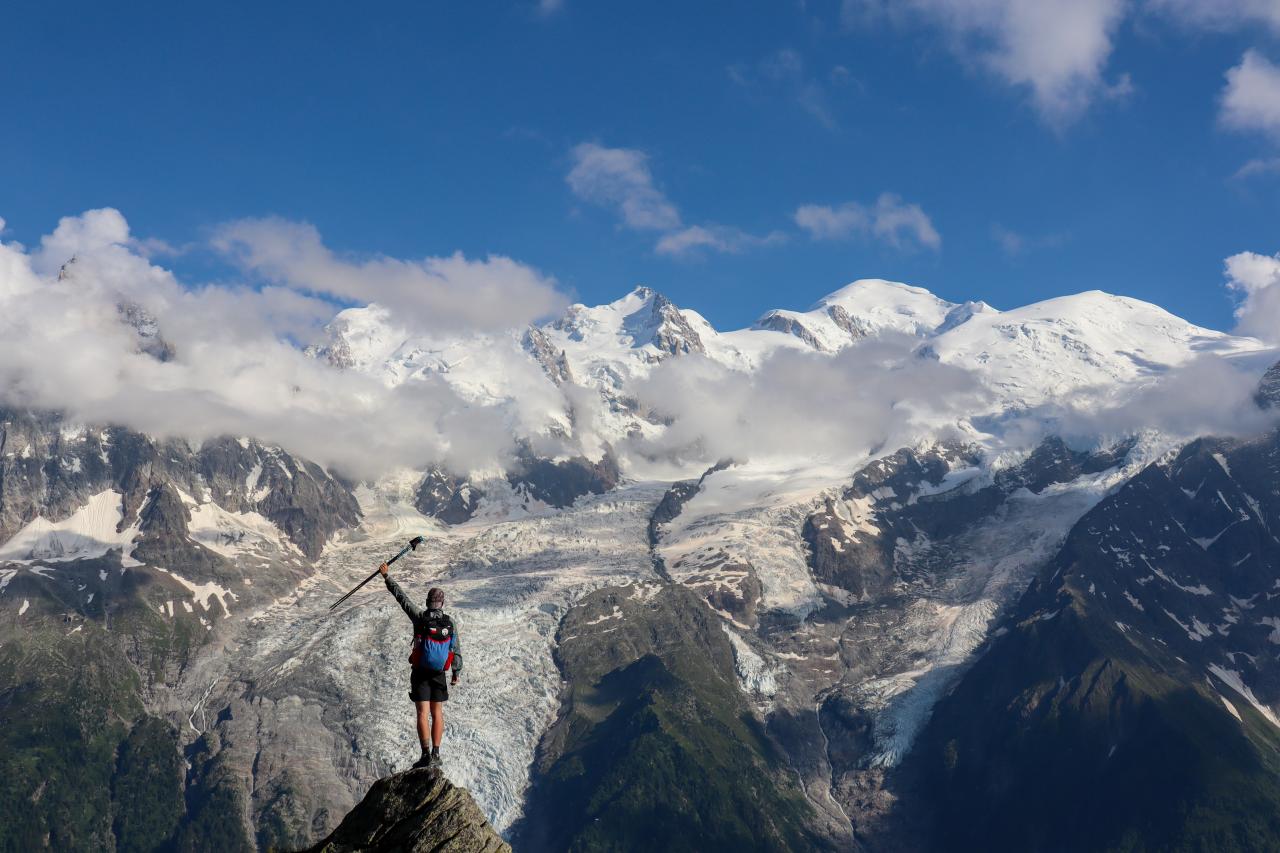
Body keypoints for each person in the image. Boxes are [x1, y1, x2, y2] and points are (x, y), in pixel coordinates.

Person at [379, 562, 461, 768]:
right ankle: (436, 753)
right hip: (439, 674)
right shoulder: (449, 623)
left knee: (422, 713)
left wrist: (387, 578)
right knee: (437, 713)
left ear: (427, 602)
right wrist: (456, 673)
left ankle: (425, 756)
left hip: (420, 672)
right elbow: (456, 649)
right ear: (442, 604)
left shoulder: (420, 618)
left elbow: (402, 599)